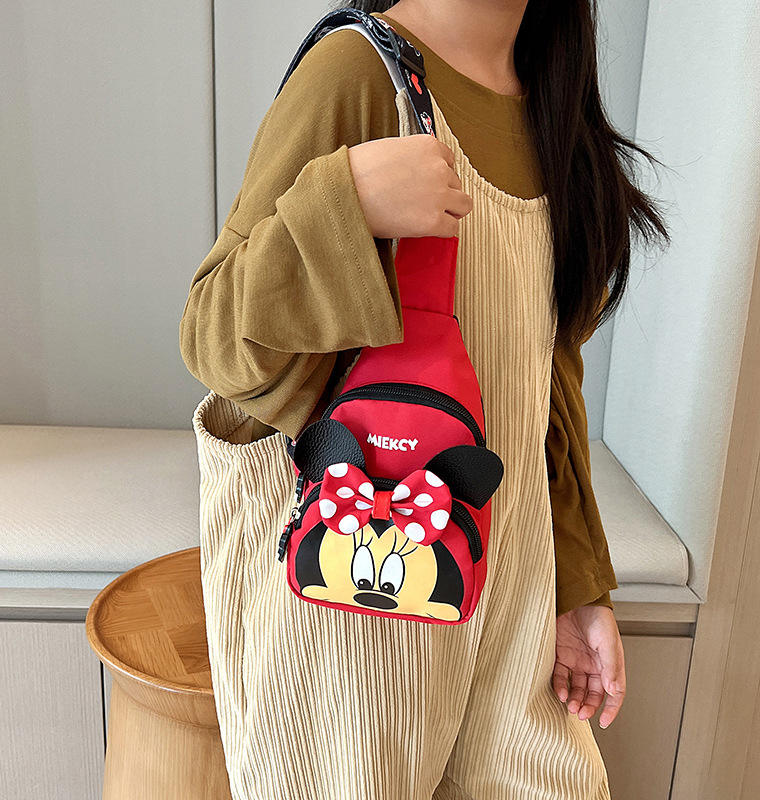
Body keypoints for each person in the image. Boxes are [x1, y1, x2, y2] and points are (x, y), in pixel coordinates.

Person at [179, 1, 669, 797]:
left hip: (507, 594)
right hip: (348, 618)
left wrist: (577, 584)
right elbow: (214, 338)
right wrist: (345, 204)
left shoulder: (552, 99)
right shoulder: (356, 73)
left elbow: (548, 377)